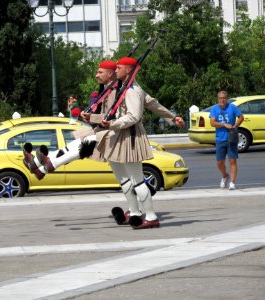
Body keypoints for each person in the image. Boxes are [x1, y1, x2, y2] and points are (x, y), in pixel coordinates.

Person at [24, 58, 185, 229]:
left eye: (118, 68)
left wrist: (108, 123)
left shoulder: (132, 90)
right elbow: (153, 104)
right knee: (123, 179)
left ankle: (151, 217)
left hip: (128, 137)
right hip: (116, 135)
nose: (116, 71)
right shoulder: (123, 88)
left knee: (136, 179)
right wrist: (172, 117)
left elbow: (133, 116)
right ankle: (134, 212)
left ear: (128, 71)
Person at [209, 91, 244, 190]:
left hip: (231, 138)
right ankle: (225, 175)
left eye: (224, 98)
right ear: (218, 99)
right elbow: (212, 123)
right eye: (220, 98)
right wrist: (224, 124)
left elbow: (241, 117)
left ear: (226, 98)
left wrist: (235, 126)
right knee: (219, 162)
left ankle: (232, 182)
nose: (222, 100)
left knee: (232, 161)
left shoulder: (232, 107)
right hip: (220, 138)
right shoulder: (215, 109)